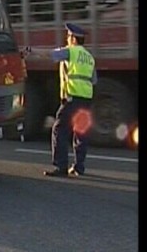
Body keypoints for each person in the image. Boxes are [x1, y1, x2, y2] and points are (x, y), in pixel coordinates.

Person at [21, 23, 97, 177]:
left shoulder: (71, 52)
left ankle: (60, 167)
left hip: (72, 99)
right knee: (80, 133)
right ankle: (79, 167)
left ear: (74, 39)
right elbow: (93, 80)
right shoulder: (89, 57)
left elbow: (50, 54)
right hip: (86, 100)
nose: (67, 39)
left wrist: (30, 51)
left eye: (68, 36)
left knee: (59, 130)